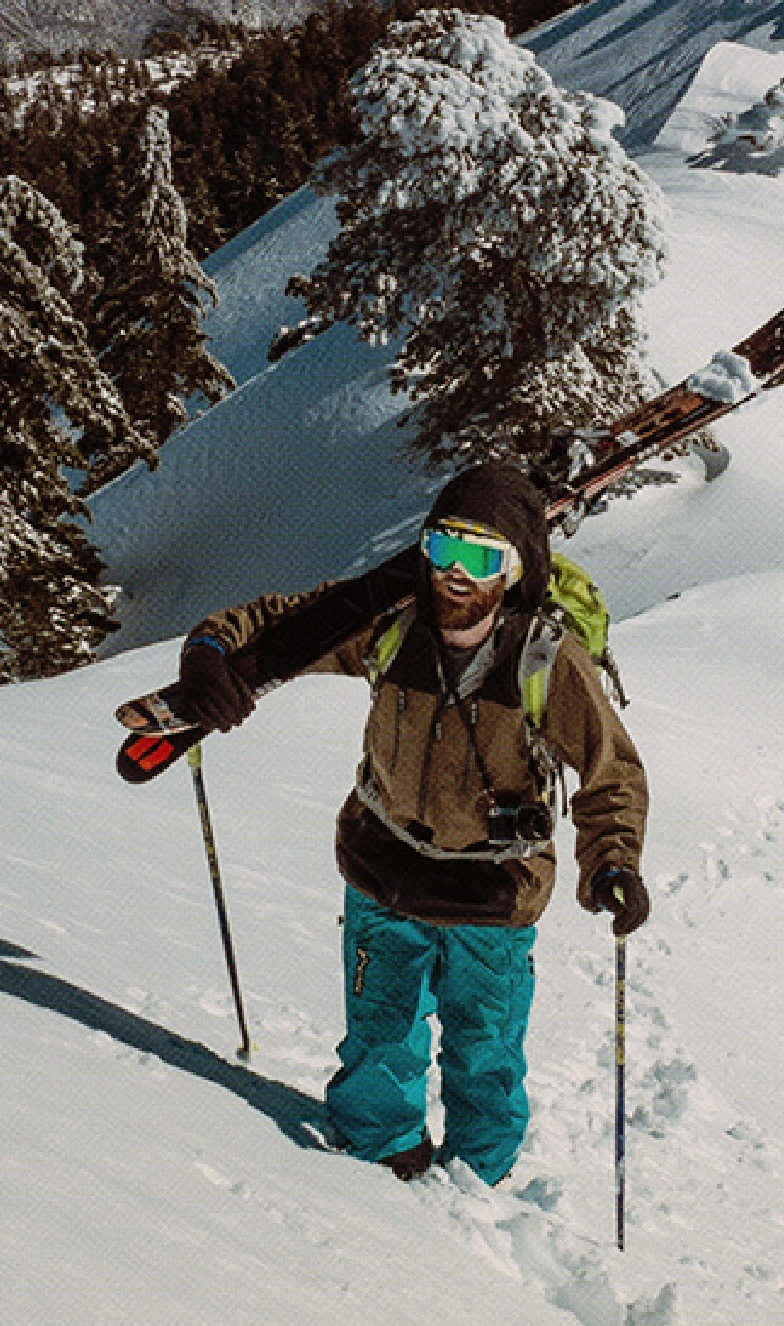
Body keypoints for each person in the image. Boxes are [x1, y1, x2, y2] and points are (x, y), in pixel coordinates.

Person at [171, 459, 649, 1185]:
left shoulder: (545, 661)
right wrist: (209, 651)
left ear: (514, 573)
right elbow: (282, 625)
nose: (455, 573)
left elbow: (610, 768)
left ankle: (478, 1187)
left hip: (493, 896)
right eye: (442, 549)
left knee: (484, 1054)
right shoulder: (389, 628)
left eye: (480, 558)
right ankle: (374, 1167)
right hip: (383, 874)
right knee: (378, 1040)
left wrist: (613, 862)